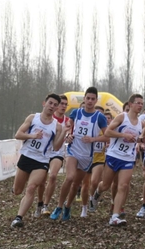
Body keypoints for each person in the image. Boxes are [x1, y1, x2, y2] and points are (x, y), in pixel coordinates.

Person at [50, 87, 108, 221]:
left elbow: (108, 137)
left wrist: (93, 139)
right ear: (84, 99)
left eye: (93, 99)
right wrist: (68, 136)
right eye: (88, 98)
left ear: (96, 100)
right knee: (69, 178)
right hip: (73, 150)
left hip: (87, 156)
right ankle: (59, 206)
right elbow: (68, 128)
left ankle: (68, 207)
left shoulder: (99, 117)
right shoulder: (76, 113)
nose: (90, 101)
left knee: (76, 184)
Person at [11, 93, 68, 228]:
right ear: (44, 103)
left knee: (31, 188)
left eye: (55, 105)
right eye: (50, 103)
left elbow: (56, 147)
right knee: (18, 190)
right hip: (26, 156)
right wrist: (32, 136)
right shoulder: (33, 118)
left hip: (41, 161)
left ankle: (18, 218)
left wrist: (64, 132)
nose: (52, 106)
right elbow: (18, 134)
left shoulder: (57, 126)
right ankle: (14, 189)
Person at [92, 94, 145, 226]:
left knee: (123, 186)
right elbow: (108, 132)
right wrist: (123, 135)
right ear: (131, 104)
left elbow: (135, 139)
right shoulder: (122, 117)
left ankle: (114, 216)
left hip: (128, 158)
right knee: (105, 185)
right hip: (114, 155)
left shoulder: (141, 124)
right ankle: (97, 193)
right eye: (138, 103)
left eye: (141, 103)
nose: (140, 105)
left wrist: (142, 141)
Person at [33, 94, 71, 217]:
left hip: (57, 153)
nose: (63, 106)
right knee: (41, 181)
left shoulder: (68, 121)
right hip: (44, 153)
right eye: (62, 104)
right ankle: (40, 203)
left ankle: (45, 205)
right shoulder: (48, 118)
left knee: (53, 175)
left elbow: (69, 135)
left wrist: (69, 138)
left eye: (66, 104)